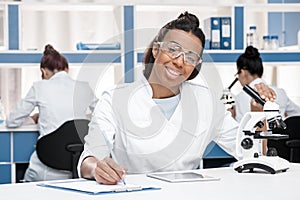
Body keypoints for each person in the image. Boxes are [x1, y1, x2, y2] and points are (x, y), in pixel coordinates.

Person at [78, 12, 276, 185]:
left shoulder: (205, 101)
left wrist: (257, 114)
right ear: (156, 50)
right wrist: (97, 168)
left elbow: (250, 152)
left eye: (190, 57)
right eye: (173, 49)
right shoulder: (115, 98)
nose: (180, 62)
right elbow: (90, 156)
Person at [6, 44, 98, 182]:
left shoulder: (39, 87)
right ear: (67, 69)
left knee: (25, 182)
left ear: (44, 71)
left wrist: (34, 118)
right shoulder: (84, 87)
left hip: (46, 170)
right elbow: (102, 116)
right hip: (78, 169)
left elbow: (12, 121)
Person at [234, 46, 300, 122]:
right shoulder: (280, 92)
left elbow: (239, 129)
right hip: (280, 133)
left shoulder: (241, 97)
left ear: (243, 72)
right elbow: (297, 113)